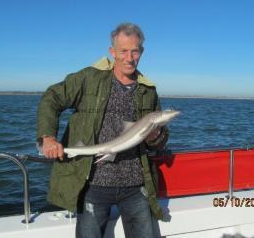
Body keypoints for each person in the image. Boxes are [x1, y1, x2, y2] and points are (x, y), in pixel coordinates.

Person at [37, 23, 169, 238]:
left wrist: (156, 136)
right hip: (93, 184)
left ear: (142, 52)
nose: (129, 57)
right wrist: (48, 137)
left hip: (136, 185)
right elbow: (51, 98)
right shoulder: (89, 78)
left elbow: (161, 141)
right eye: (123, 51)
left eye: (135, 51)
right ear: (112, 52)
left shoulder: (148, 90)